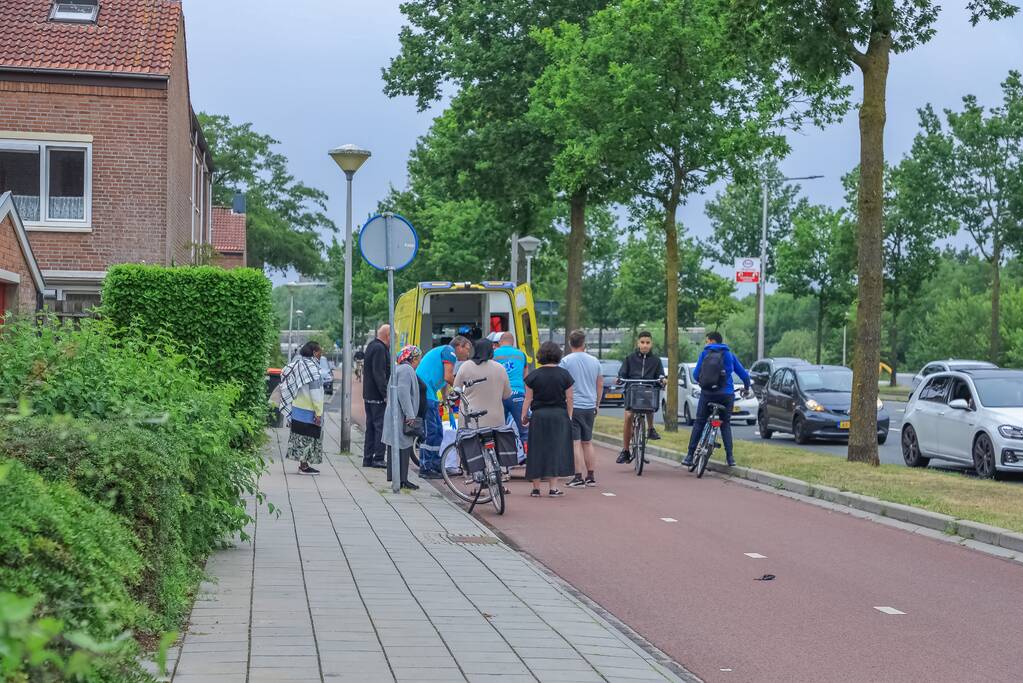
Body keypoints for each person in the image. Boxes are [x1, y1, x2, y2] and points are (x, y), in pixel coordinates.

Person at [684, 331, 751, 468]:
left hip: (708, 394)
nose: (706, 343)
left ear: (712, 341)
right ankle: (730, 457)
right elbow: (744, 374)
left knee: (700, 422)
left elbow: (696, 375)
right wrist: (746, 387)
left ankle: (689, 455)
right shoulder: (729, 355)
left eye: (707, 340)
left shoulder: (704, 354)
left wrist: (705, 382)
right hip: (726, 395)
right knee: (725, 424)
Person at [522, 341, 575, 497]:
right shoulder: (565, 375)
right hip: (559, 415)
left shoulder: (533, 376)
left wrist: (524, 416)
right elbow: (570, 398)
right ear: (558, 355)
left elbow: (528, 399)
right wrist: (569, 415)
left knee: (536, 449)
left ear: (540, 356)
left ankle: (536, 488)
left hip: (539, 416)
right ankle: (553, 488)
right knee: (555, 449)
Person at [416, 335, 473, 478]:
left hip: (429, 394)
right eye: (467, 349)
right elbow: (448, 377)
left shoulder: (445, 352)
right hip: (426, 394)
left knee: (438, 432)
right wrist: (462, 390)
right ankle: (426, 467)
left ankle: (434, 465)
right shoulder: (449, 351)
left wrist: (447, 399)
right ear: (459, 346)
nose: (468, 354)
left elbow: (443, 382)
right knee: (432, 432)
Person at [560, 330, 603, 487]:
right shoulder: (595, 361)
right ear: (584, 343)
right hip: (589, 406)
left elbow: (562, 384)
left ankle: (578, 477)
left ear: (570, 343)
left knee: (575, 442)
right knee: (588, 441)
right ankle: (591, 476)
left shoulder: (565, 361)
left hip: (574, 406)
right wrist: (597, 403)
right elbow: (600, 384)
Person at [616, 331, 666, 464]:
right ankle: (625, 451)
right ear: (638, 343)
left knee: (650, 403)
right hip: (632, 391)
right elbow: (622, 373)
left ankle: (650, 429)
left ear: (651, 344)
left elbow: (660, 374)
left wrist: (662, 379)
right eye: (642, 342)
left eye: (647, 343)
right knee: (628, 417)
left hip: (648, 391)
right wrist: (619, 379)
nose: (645, 345)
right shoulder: (629, 358)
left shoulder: (656, 361)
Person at [279, 341, 325, 475]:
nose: (320, 354)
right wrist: (318, 412)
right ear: (314, 352)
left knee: (299, 437)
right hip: (309, 409)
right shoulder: (312, 369)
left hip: (297, 408)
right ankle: (304, 466)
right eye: (319, 352)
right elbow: (315, 392)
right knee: (309, 438)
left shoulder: (297, 365)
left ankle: (303, 465)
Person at [382, 345, 423, 490]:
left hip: (395, 413)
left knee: (396, 445)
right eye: (418, 358)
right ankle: (402, 479)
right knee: (403, 446)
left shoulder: (398, 368)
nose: (419, 361)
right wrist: (410, 414)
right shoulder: (407, 370)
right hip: (400, 415)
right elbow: (403, 391)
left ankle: (397, 478)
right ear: (412, 358)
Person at [454, 338, 513, 430]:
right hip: (496, 420)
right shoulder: (500, 368)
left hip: (471, 418)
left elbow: (456, 390)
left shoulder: (466, 366)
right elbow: (507, 395)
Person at [492, 332, 529, 450]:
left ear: (500, 342)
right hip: (518, 394)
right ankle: (529, 457)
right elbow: (525, 377)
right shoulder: (521, 355)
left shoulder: (493, 354)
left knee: (498, 428)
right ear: (513, 342)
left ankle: (500, 458)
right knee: (524, 428)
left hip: (500, 395)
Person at [362, 325, 391, 469]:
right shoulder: (380, 349)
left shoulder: (371, 346)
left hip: (369, 394)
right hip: (377, 396)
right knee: (380, 427)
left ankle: (367, 458)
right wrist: (385, 394)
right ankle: (378, 458)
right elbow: (379, 373)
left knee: (371, 427)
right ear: (387, 335)